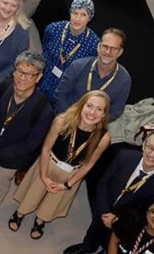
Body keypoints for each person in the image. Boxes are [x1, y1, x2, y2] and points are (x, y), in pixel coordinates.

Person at [67, 132, 154, 254]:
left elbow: (150, 213)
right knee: (96, 226)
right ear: (144, 144)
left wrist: (118, 221)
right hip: (105, 208)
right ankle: (88, 245)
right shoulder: (125, 156)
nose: (152, 154)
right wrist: (104, 211)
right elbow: (104, 183)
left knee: (113, 246)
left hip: (129, 223)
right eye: (150, 147)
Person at [8, 90, 112, 240]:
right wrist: (43, 176)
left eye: (99, 109)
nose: (92, 112)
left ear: (103, 115)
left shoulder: (104, 138)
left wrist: (67, 185)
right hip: (48, 164)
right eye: (89, 106)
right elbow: (46, 148)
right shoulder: (62, 121)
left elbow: (88, 165)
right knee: (33, 192)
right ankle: (19, 213)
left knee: (54, 201)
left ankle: (40, 221)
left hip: (71, 174)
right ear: (81, 106)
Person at [0, 51, 54, 226]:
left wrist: (0, 153)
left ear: (38, 77)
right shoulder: (0, 87)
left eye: (29, 74)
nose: (22, 78)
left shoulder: (43, 108)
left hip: (12, 158)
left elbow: (31, 144)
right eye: (19, 71)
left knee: (1, 183)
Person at [53, 28, 132, 121]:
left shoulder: (124, 79)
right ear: (98, 47)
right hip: (67, 118)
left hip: (94, 126)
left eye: (113, 48)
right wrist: (73, 119)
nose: (107, 52)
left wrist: (92, 124)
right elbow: (60, 94)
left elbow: (115, 111)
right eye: (105, 46)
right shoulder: (78, 66)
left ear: (120, 52)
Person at [39, 0, 100, 100]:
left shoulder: (94, 44)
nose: (78, 18)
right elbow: (45, 49)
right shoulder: (53, 29)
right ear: (70, 13)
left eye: (83, 15)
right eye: (75, 13)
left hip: (65, 92)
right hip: (42, 80)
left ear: (90, 18)